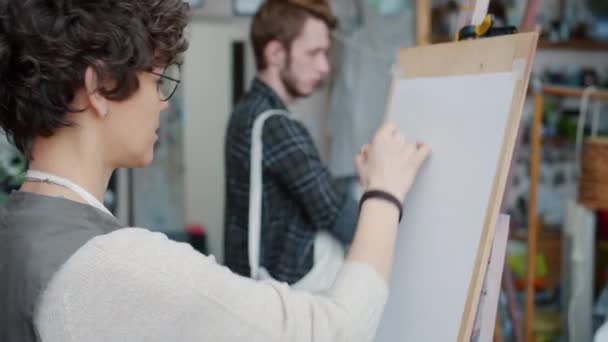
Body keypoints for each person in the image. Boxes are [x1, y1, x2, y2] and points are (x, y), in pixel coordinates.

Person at [0, 0, 430, 341]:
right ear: (99, 88)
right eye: (158, 79)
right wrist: (384, 192)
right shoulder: (111, 265)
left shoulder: (16, 230)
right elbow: (338, 331)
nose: (163, 103)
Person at [224, 0, 360, 289]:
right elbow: (337, 215)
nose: (324, 66)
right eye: (314, 53)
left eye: (326, 53)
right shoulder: (273, 124)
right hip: (287, 305)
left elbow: (308, 189)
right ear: (275, 53)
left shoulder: (249, 110)